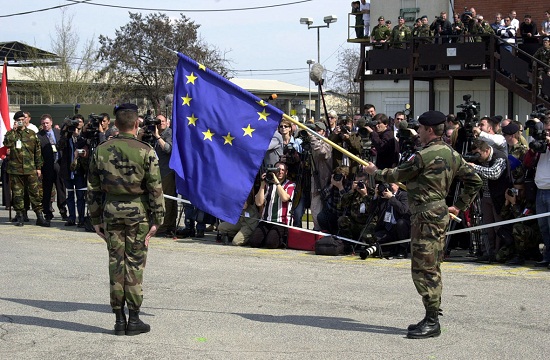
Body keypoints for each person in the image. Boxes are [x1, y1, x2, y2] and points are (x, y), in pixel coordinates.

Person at [364, 110, 482, 339]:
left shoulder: (424, 156)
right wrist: (458, 205)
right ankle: (430, 315)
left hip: (427, 218)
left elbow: (398, 174)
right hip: (436, 214)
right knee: (432, 265)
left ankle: (432, 320)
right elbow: (475, 180)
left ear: (429, 130)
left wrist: (374, 172)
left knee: (424, 268)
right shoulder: (451, 153)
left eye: (420, 128)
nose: (417, 132)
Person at [87, 103, 165, 336]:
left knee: (116, 263)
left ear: (115, 124)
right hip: (138, 214)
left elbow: (93, 188)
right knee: (134, 264)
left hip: (111, 211)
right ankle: (134, 318)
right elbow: (155, 188)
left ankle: (119, 319)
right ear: (136, 123)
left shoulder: (101, 150)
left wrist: (95, 218)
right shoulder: (146, 150)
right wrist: (157, 219)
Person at [3, 111, 50, 227]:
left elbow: (37, 152)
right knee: (18, 194)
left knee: (35, 193)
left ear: (25, 120)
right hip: (16, 169)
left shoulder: (32, 134)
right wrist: (13, 130)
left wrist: (38, 168)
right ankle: (20, 216)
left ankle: (40, 216)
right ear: (16, 121)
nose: (21, 121)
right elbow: (6, 143)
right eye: (18, 119)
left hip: (30, 169)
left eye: (22, 119)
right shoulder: (11, 134)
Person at [467, 139, 511, 263]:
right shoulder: (481, 159)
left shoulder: (499, 157)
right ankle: (487, 252)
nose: (477, 157)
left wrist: (474, 167)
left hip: (499, 197)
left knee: (498, 227)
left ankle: (499, 253)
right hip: (485, 196)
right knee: (486, 227)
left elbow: (494, 173)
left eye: (478, 154)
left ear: (486, 150)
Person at [523, 116, 550, 268]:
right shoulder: (541, 145)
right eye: (545, 130)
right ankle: (547, 256)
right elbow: (527, 163)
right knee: (544, 227)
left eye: (549, 131)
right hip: (540, 190)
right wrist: (533, 149)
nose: (546, 134)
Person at [250, 161, 295, 248]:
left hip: (281, 222)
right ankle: (267, 237)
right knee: (254, 242)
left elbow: (285, 198)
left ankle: (280, 240)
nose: (280, 172)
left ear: (286, 172)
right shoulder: (268, 185)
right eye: (278, 169)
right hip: (266, 220)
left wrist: (277, 182)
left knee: (270, 244)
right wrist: (262, 184)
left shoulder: (290, 185)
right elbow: (259, 202)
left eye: (282, 170)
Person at [58, 116, 89, 227]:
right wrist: (65, 131)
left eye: (79, 122)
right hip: (68, 171)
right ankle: (71, 218)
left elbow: (86, 148)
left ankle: (81, 219)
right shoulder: (66, 136)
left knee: (80, 196)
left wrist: (77, 136)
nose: (77, 124)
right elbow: (59, 146)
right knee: (69, 195)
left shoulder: (84, 136)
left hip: (80, 171)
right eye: (75, 122)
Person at [37, 114, 68, 222]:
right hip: (47, 166)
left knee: (61, 189)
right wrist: (39, 168)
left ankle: (63, 210)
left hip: (59, 165)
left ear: (51, 122)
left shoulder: (58, 133)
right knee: (47, 190)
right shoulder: (39, 136)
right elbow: (38, 153)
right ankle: (48, 212)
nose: (45, 125)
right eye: (43, 123)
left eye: (47, 123)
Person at [153, 114, 176, 237]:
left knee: (167, 200)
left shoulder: (169, 133)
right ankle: (165, 225)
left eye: (162, 121)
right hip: (157, 172)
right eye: (158, 121)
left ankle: (166, 226)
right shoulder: (153, 132)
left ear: (167, 122)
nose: (160, 123)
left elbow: (168, 149)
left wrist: (157, 136)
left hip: (167, 171)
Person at [309, 121, 332, 230]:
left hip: (325, 182)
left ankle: (322, 230)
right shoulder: (311, 142)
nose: (315, 133)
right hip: (313, 180)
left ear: (323, 132)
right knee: (314, 208)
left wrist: (312, 139)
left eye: (318, 130)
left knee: (321, 209)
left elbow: (323, 153)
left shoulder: (327, 142)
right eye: (313, 130)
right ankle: (316, 229)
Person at [317, 166, 350, 234]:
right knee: (321, 216)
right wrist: (331, 184)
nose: (338, 178)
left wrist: (340, 187)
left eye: (340, 176)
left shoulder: (349, 185)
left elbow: (347, 202)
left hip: (344, 214)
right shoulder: (332, 183)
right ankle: (328, 233)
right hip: (333, 213)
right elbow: (322, 196)